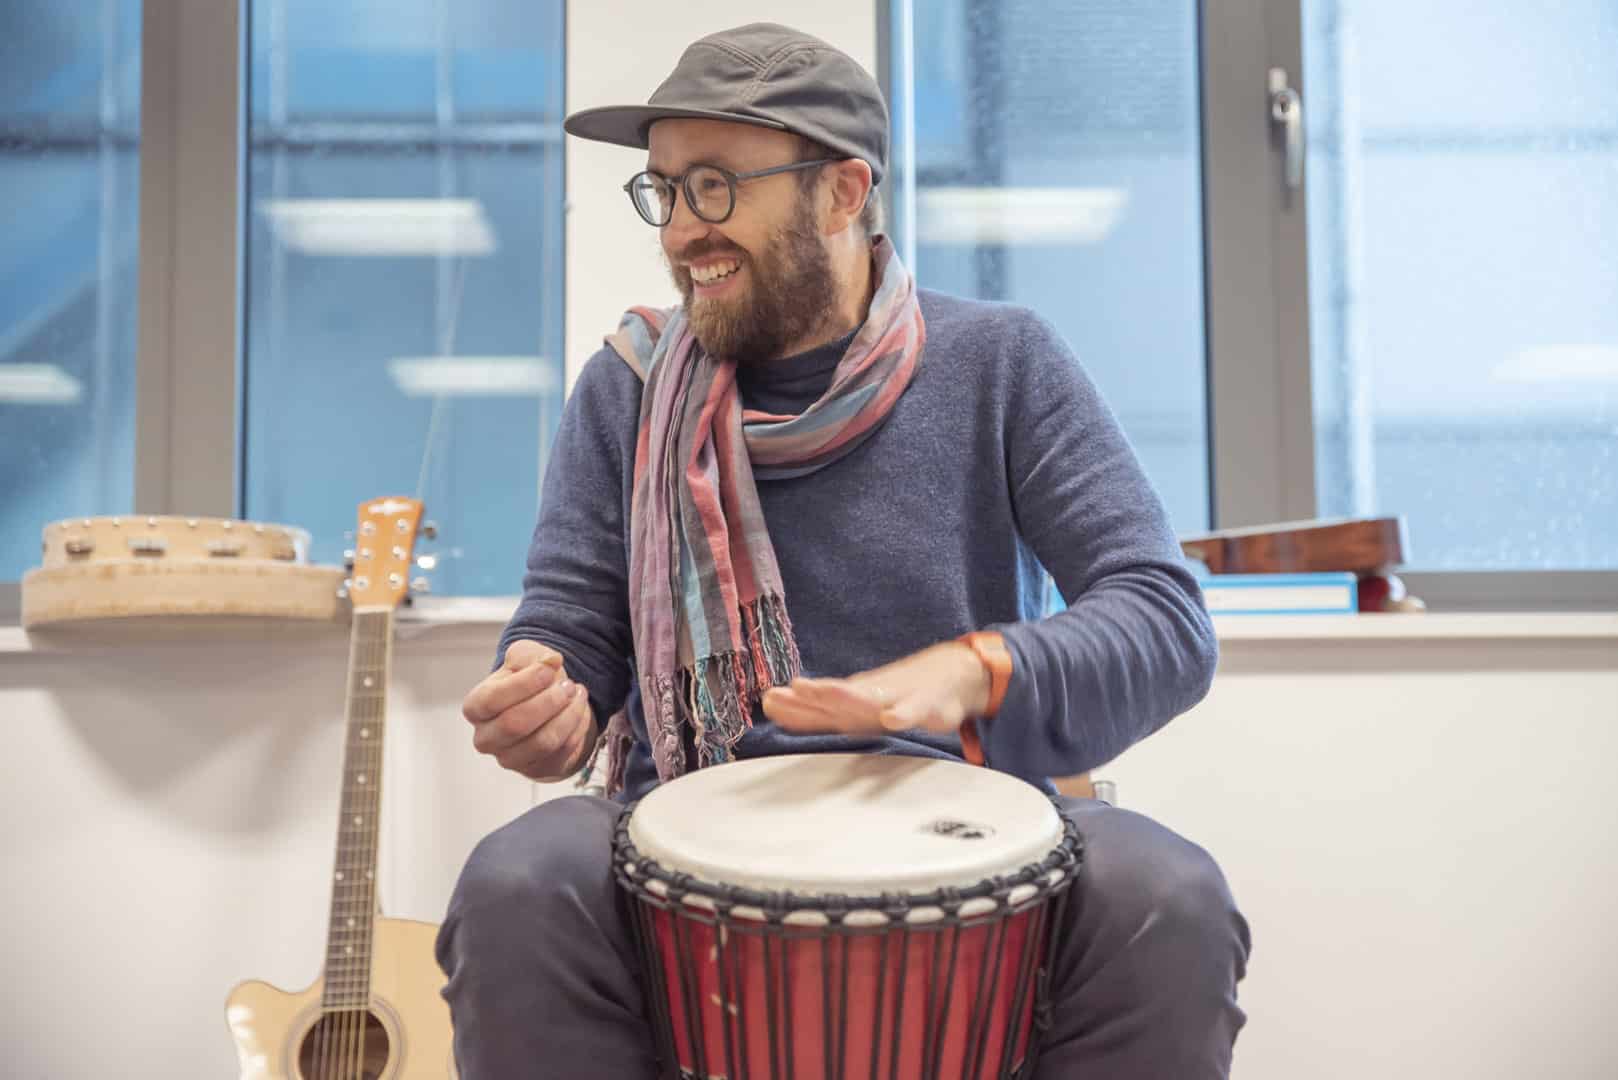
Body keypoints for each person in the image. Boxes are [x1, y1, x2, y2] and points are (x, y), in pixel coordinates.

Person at [437, 22, 1250, 1079]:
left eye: (717, 187)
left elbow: (1164, 617)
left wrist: (965, 674)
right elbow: (571, 633)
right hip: (680, 805)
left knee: (1169, 899)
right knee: (512, 886)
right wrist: (544, 696)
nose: (683, 231)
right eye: (665, 191)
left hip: (970, 805)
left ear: (842, 191)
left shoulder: (1001, 362)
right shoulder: (626, 389)